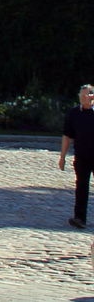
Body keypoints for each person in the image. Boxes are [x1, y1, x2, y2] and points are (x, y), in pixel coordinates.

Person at [60, 84, 94, 228]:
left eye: (84, 95)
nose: (81, 98)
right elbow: (67, 136)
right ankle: (79, 218)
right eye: (80, 95)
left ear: (92, 96)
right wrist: (62, 157)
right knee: (81, 186)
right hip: (82, 156)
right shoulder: (74, 113)